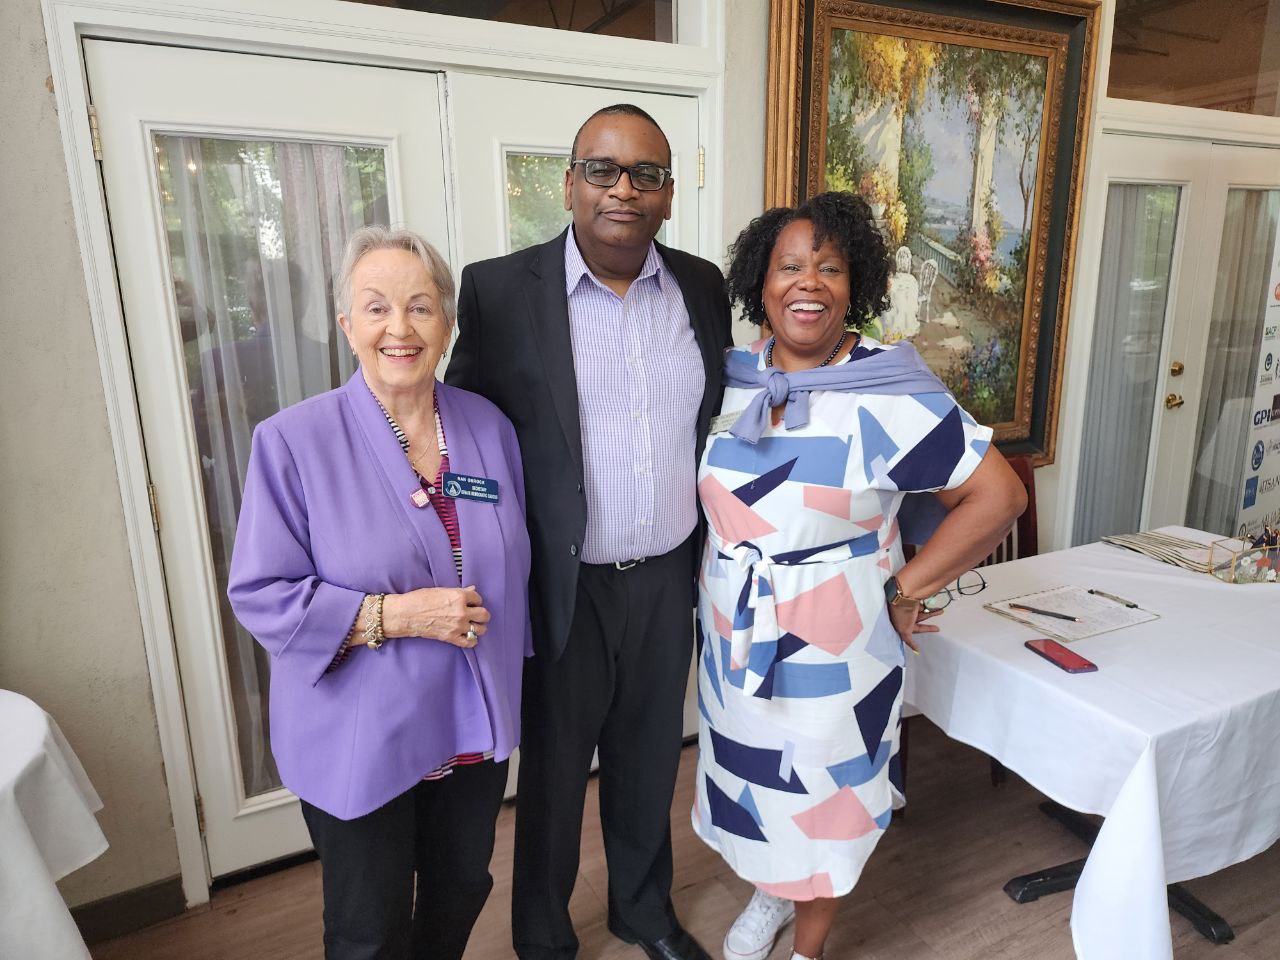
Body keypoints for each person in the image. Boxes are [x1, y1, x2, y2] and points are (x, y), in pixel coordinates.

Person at [693, 192, 1026, 960]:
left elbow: (997, 495)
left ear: (856, 284)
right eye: (790, 267)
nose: (809, 284)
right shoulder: (735, 377)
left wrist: (906, 590)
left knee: (827, 799)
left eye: (831, 268)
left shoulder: (888, 386)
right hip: (735, 631)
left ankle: (808, 945)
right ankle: (773, 891)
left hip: (837, 642)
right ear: (761, 283)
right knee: (759, 780)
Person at [446, 104, 732, 960]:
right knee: (557, 779)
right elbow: (464, 427)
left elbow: (721, 414)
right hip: (562, 583)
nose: (623, 190)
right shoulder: (500, 289)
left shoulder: (703, 285)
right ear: (570, 183)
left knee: (648, 762)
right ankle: (542, 935)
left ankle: (643, 911)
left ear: (669, 194)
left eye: (646, 174)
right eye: (603, 170)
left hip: (667, 573)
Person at [227, 226, 532, 960]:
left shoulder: (487, 427)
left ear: (448, 326)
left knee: (462, 888)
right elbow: (261, 591)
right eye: (376, 308)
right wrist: (395, 616)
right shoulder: (293, 441)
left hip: (468, 726)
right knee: (369, 929)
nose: (400, 328)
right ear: (346, 326)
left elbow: (516, 564)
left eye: (421, 308)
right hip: (359, 732)